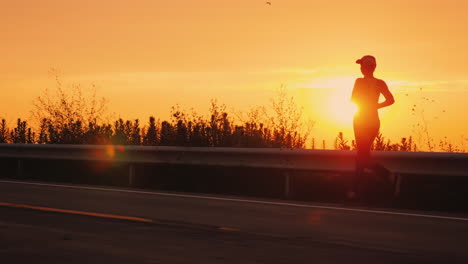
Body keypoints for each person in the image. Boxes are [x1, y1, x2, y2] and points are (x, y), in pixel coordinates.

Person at [348, 55, 395, 199]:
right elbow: (391, 100)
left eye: (362, 66)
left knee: (361, 156)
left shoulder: (359, 81)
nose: (361, 68)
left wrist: (368, 104)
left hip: (362, 120)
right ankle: (357, 191)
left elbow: (353, 98)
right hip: (373, 121)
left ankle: (386, 175)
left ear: (367, 67)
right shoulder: (380, 83)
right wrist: (376, 105)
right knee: (362, 156)